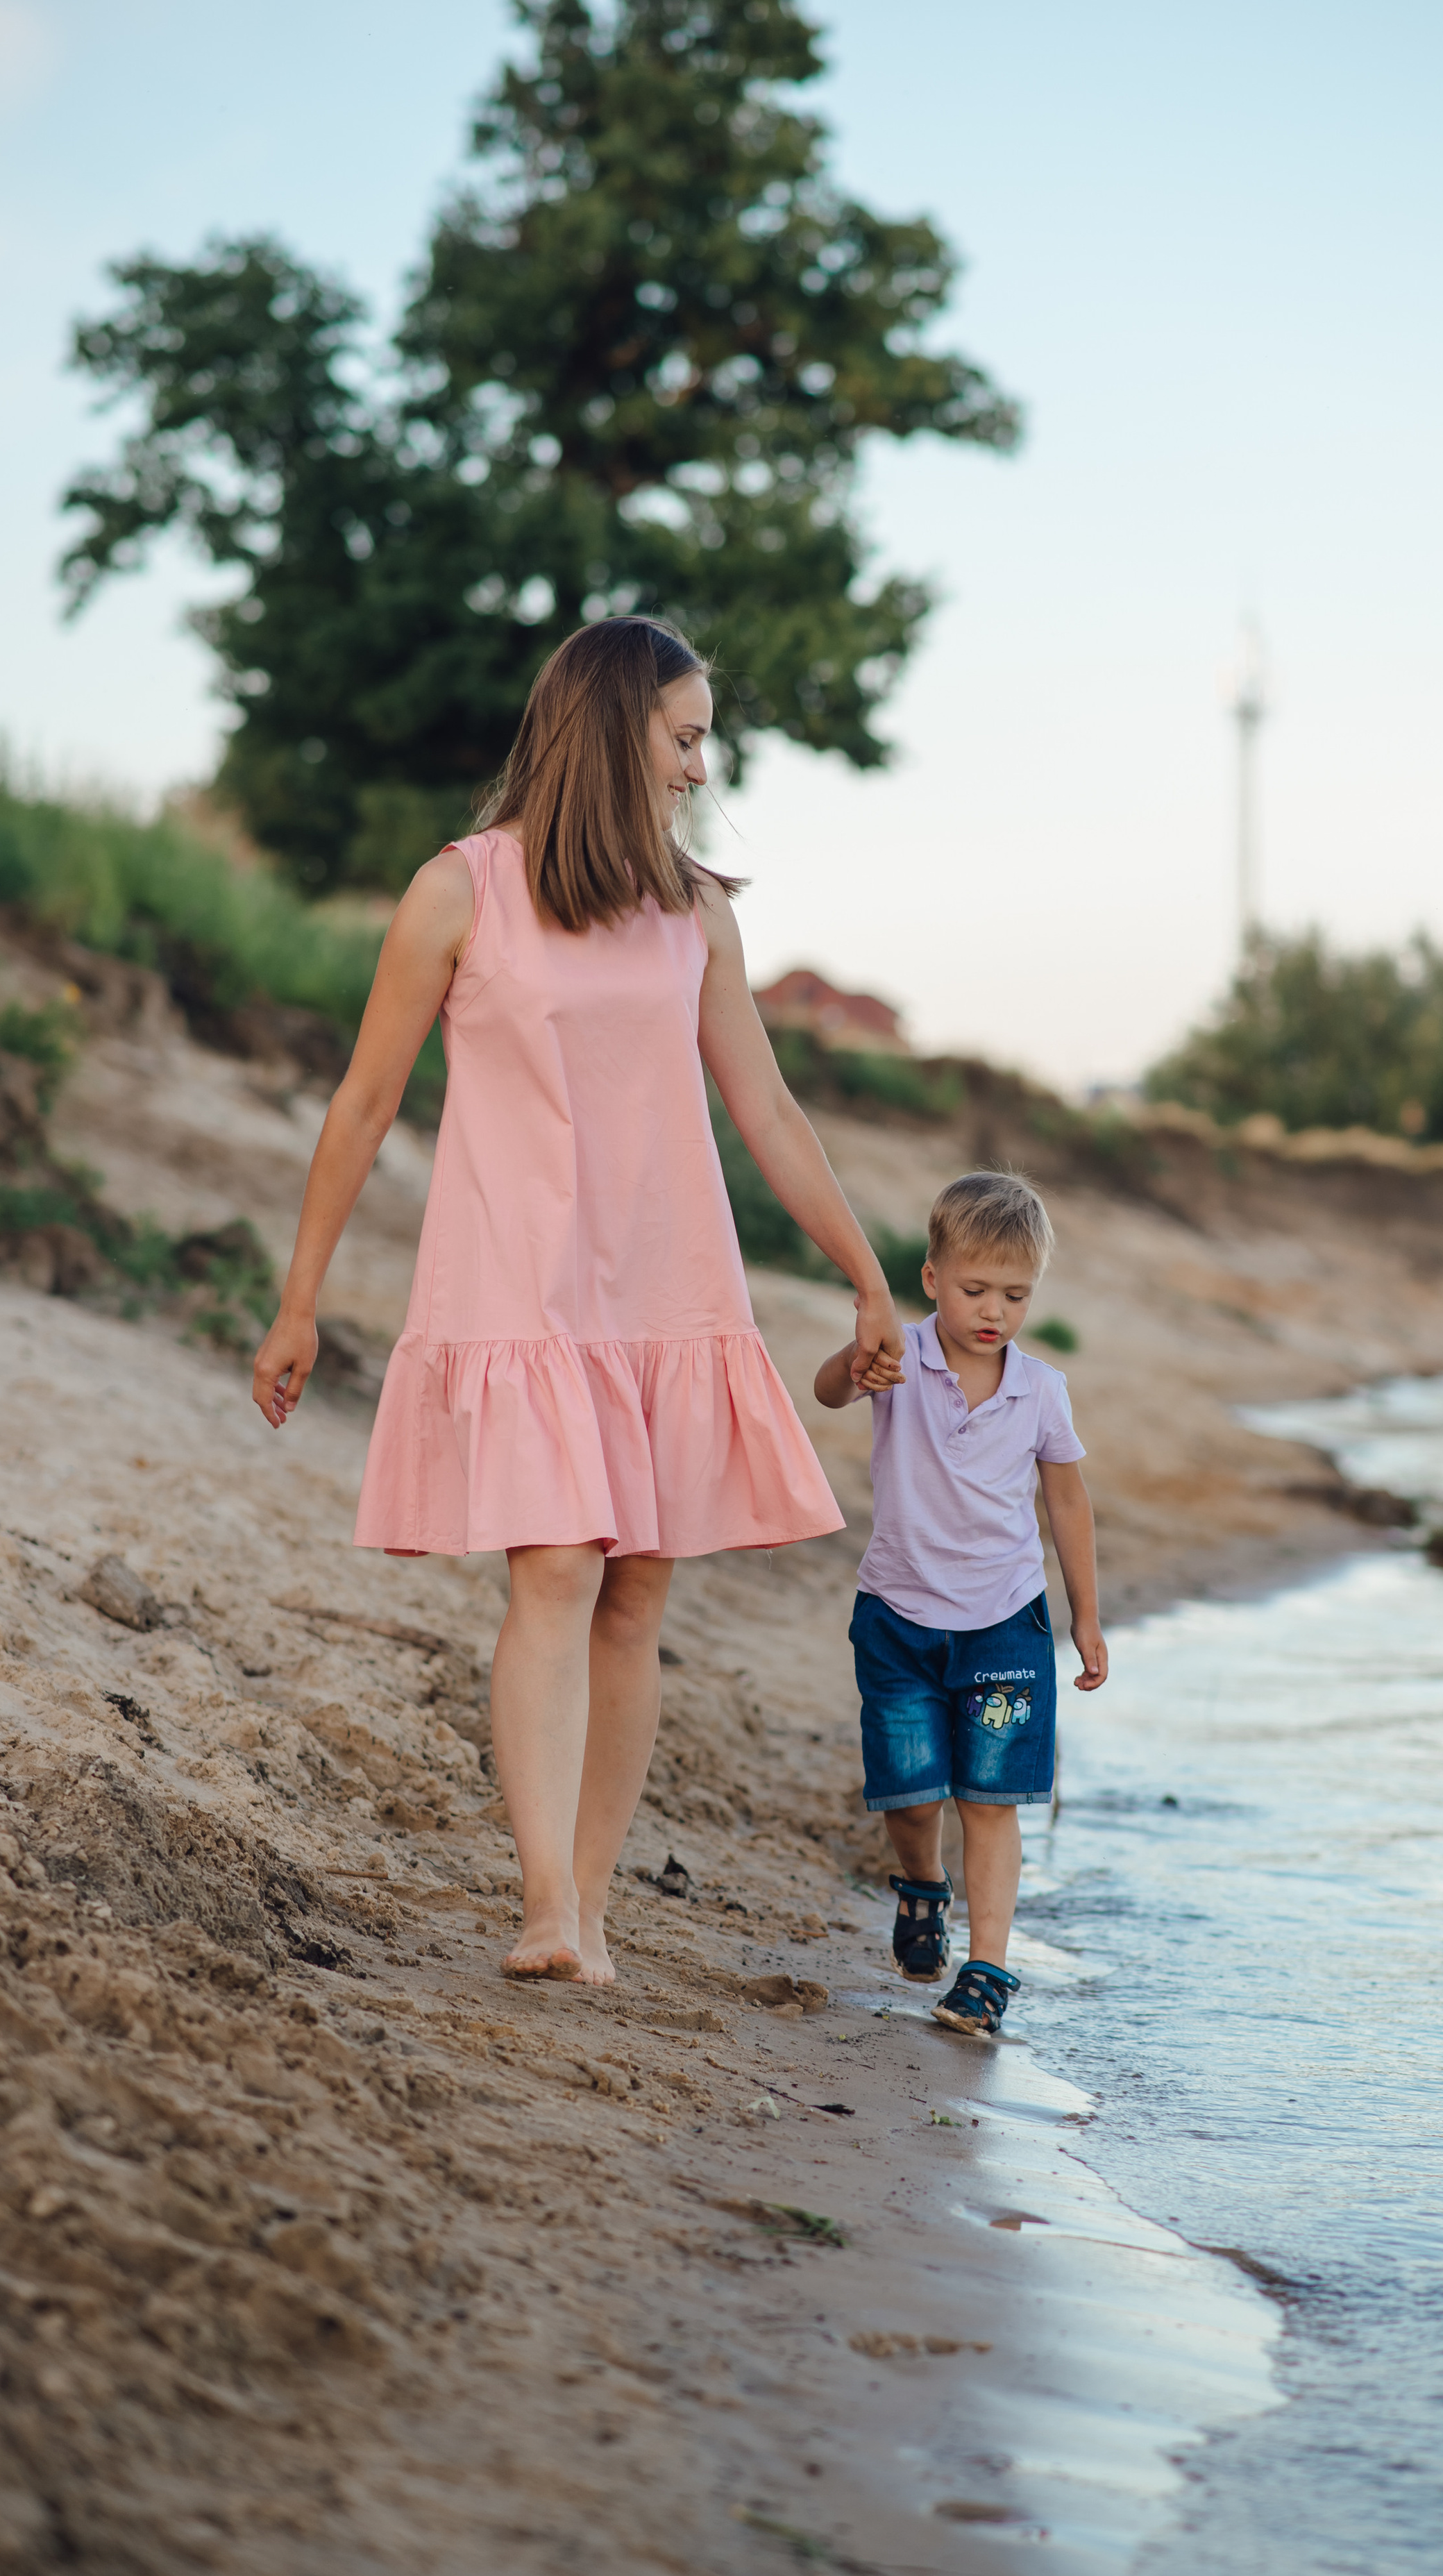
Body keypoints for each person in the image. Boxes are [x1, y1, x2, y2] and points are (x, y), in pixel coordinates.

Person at [251, 616, 904, 1986]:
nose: (699, 764)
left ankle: (590, 1903)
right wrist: (296, 1301)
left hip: (665, 1287)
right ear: (615, 732)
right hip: (520, 1282)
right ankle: (544, 1900)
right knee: (555, 1566)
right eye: (683, 735)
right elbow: (364, 1103)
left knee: (634, 1595)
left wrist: (863, 1272)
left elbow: (767, 1111)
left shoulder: (696, 914)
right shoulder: (459, 893)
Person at [813, 1172, 1108, 2037]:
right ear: (932, 1277)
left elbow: (1066, 1504)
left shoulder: (1041, 1390)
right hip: (899, 1618)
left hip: (1006, 1624)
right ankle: (920, 1886)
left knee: (990, 1800)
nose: (994, 1311)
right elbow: (830, 1392)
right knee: (910, 1799)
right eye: (976, 1289)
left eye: (1015, 1295)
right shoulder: (899, 1357)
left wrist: (1084, 1615)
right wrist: (851, 1360)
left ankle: (986, 1971)